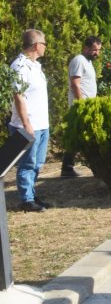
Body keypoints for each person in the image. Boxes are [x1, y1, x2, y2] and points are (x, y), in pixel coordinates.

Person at [9, 29, 50, 212]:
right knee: (27, 163)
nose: (46, 47)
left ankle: (32, 195)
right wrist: (26, 124)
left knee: (38, 163)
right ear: (36, 45)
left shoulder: (36, 66)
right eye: (44, 44)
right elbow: (18, 97)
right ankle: (26, 199)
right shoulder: (19, 66)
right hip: (27, 125)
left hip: (42, 125)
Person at [62, 36, 102, 177]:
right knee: (85, 137)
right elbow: (75, 84)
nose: (97, 53)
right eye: (94, 50)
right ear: (85, 48)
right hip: (81, 106)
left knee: (78, 137)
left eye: (98, 50)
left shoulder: (88, 62)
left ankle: (67, 168)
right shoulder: (79, 61)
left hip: (87, 106)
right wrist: (82, 105)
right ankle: (96, 167)